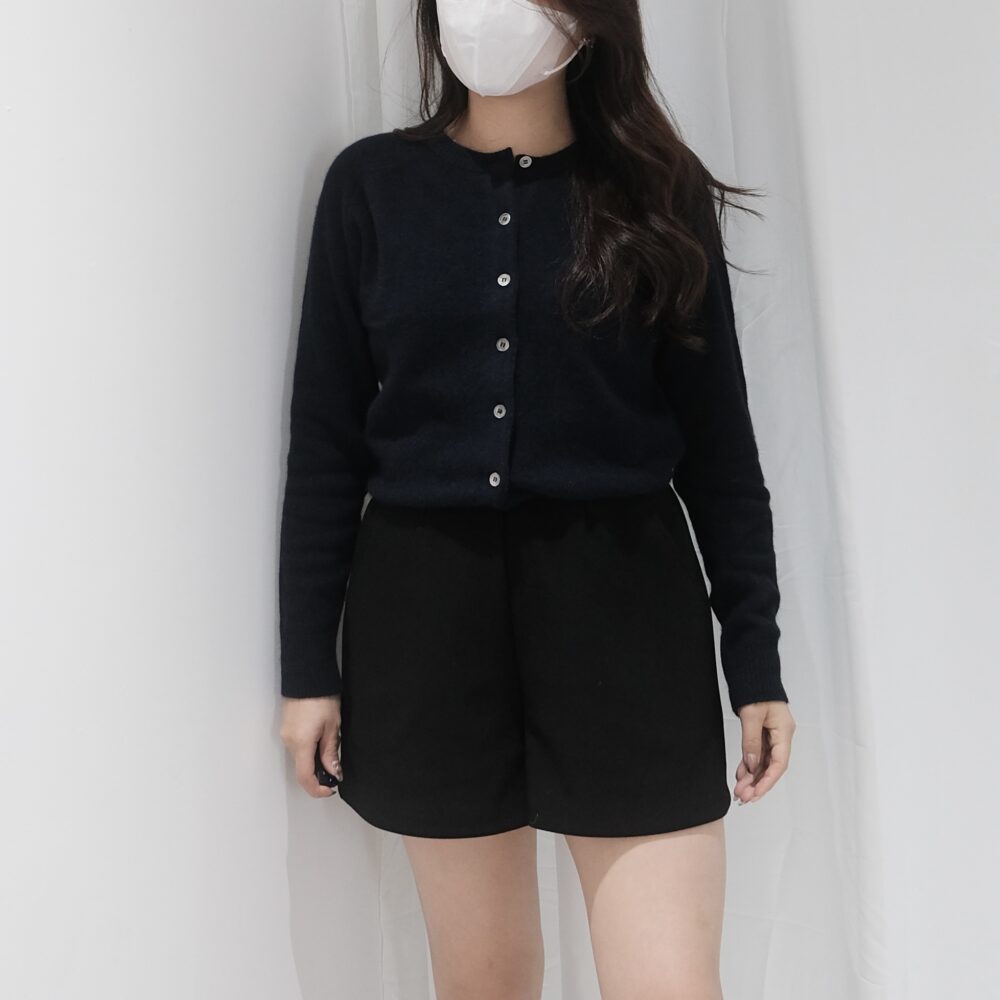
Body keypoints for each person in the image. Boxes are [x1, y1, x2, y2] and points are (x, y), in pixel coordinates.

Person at [278, 1, 797, 996]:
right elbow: (326, 448)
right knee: (485, 979)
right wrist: (310, 670)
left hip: (626, 616)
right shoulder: (370, 188)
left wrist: (755, 659)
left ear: (590, 18)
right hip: (426, 627)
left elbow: (722, 452)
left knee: (669, 982)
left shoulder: (656, 191)